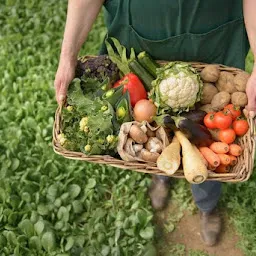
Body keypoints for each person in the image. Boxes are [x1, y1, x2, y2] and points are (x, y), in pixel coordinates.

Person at [54, 0, 256, 247]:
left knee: (210, 138)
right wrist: (67, 56)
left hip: (211, 42)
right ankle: (161, 174)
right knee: (153, 130)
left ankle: (207, 204)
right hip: (139, 42)